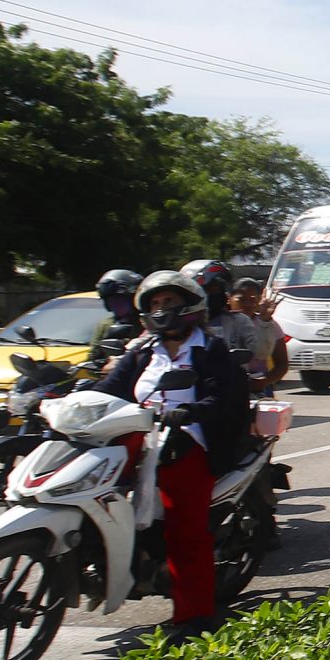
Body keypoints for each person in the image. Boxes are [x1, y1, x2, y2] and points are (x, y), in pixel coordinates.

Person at [86, 271, 251, 636]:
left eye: (170, 302)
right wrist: (80, 395)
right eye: (156, 304)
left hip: (187, 440)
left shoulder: (210, 349)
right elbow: (111, 388)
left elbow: (226, 396)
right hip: (139, 437)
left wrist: (193, 411)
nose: (162, 310)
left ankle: (195, 616)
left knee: (185, 532)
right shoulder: (142, 350)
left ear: (189, 305)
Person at [184, 259, 265, 379]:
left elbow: (260, 352)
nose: (213, 294)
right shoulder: (177, 325)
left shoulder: (239, 321)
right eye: (208, 290)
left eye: (216, 289)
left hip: (228, 385)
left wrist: (265, 321)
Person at [230, 278, 288, 392]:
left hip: (259, 389)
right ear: (229, 299)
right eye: (241, 299)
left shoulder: (269, 325)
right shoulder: (220, 324)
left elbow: (282, 365)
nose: (247, 304)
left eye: (252, 300)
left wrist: (264, 382)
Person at [95, 267, 144, 355]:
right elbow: (94, 357)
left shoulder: (149, 324)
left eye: (120, 300)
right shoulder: (106, 325)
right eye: (111, 302)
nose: (117, 305)